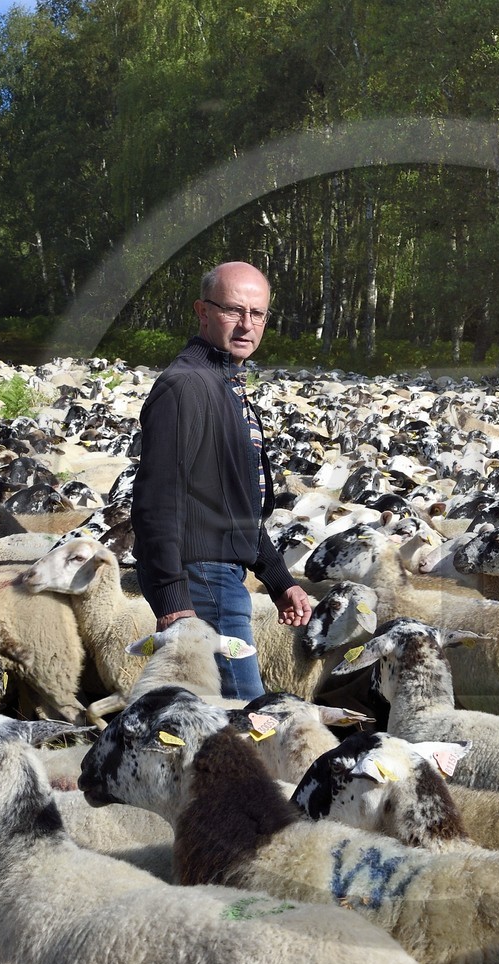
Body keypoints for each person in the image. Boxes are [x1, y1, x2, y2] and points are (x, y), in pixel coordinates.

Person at [130, 261, 311, 700]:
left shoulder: (223, 383)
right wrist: (172, 599)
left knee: (219, 718)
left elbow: (234, 504)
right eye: (234, 311)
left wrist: (278, 579)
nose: (247, 325)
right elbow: (156, 500)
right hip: (203, 579)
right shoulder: (186, 387)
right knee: (240, 716)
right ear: (203, 312)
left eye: (259, 314)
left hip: (223, 575)